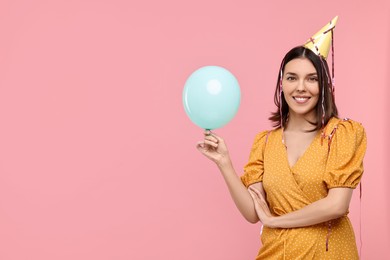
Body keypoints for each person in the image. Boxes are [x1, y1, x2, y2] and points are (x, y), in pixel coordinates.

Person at [196, 16, 366, 259]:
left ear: (324, 86)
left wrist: (276, 222)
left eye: (312, 78)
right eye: (292, 77)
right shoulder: (265, 142)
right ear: (281, 83)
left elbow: (337, 205)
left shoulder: (341, 134)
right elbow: (253, 213)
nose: (300, 87)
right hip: (277, 253)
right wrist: (224, 163)